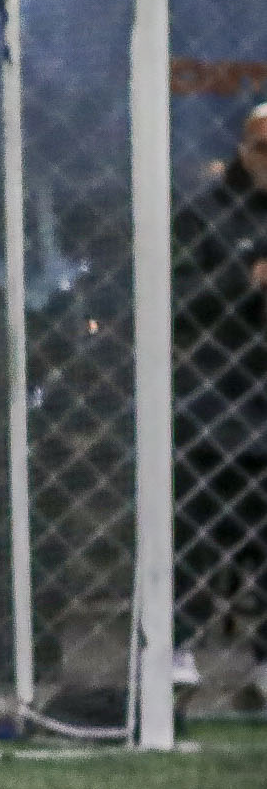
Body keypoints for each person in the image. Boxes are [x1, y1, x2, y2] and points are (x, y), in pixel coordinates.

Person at [169, 104, 267, 706]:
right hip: (215, 395)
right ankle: (175, 647)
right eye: (263, 150)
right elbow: (174, 297)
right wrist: (245, 282)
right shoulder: (203, 215)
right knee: (195, 525)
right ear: (243, 149)